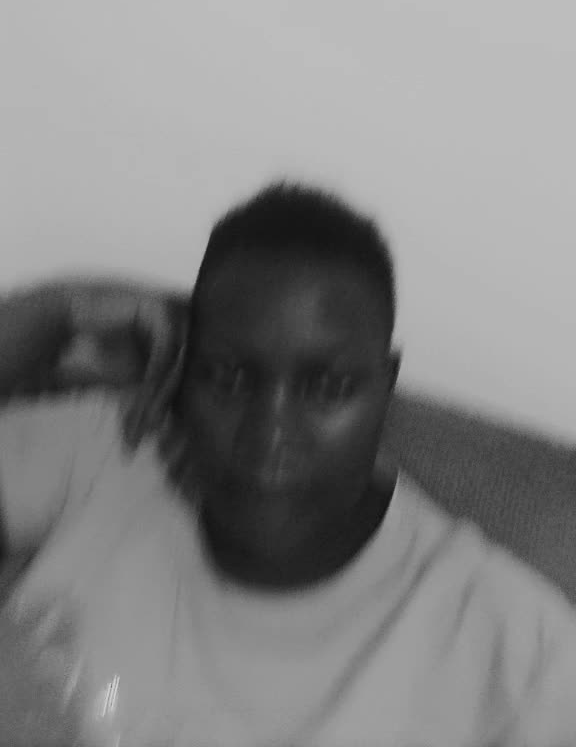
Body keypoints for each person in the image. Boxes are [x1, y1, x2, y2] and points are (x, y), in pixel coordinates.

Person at [1, 183, 576, 747]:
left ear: (386, 386)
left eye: (328, 387)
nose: (269, 433)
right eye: (227, 377)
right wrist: (56, 318)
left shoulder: (516, 649)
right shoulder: (110, 452)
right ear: (182, 370)